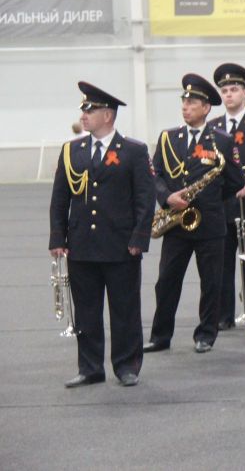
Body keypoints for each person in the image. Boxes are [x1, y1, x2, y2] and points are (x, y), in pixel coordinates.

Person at [49, 82, 155, 387]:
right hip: (82, 245)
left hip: (120, 246)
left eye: (90, 109)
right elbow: (60, 197)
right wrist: (58, 237)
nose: (84, 115)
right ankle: (90, 367)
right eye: (83, 109)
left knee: (125, 311)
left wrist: (139, 238)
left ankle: (127, 365)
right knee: (86, 313)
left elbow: (144, 199)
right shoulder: (72, 151)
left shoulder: (133, 151)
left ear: (108, 115)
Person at [144, 74, 244, 354]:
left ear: (206, 108)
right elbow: (155, 175)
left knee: (211, 283)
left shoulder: (222, 141)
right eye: (184, 102)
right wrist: (167, 197)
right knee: (166, 281)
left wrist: (210, 199)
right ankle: (160, 335)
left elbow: (235, 181)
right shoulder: (168, 138)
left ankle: (206, 334)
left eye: (192, 103)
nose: (186, 107)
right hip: (176, 223)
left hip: (210, 223)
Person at [207, 63, 245, 331]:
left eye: (234, 89)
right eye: (225, 90)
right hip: (222, 204)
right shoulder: (212, 127)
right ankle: (223, 314)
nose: (229, 94)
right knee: (220, 262)